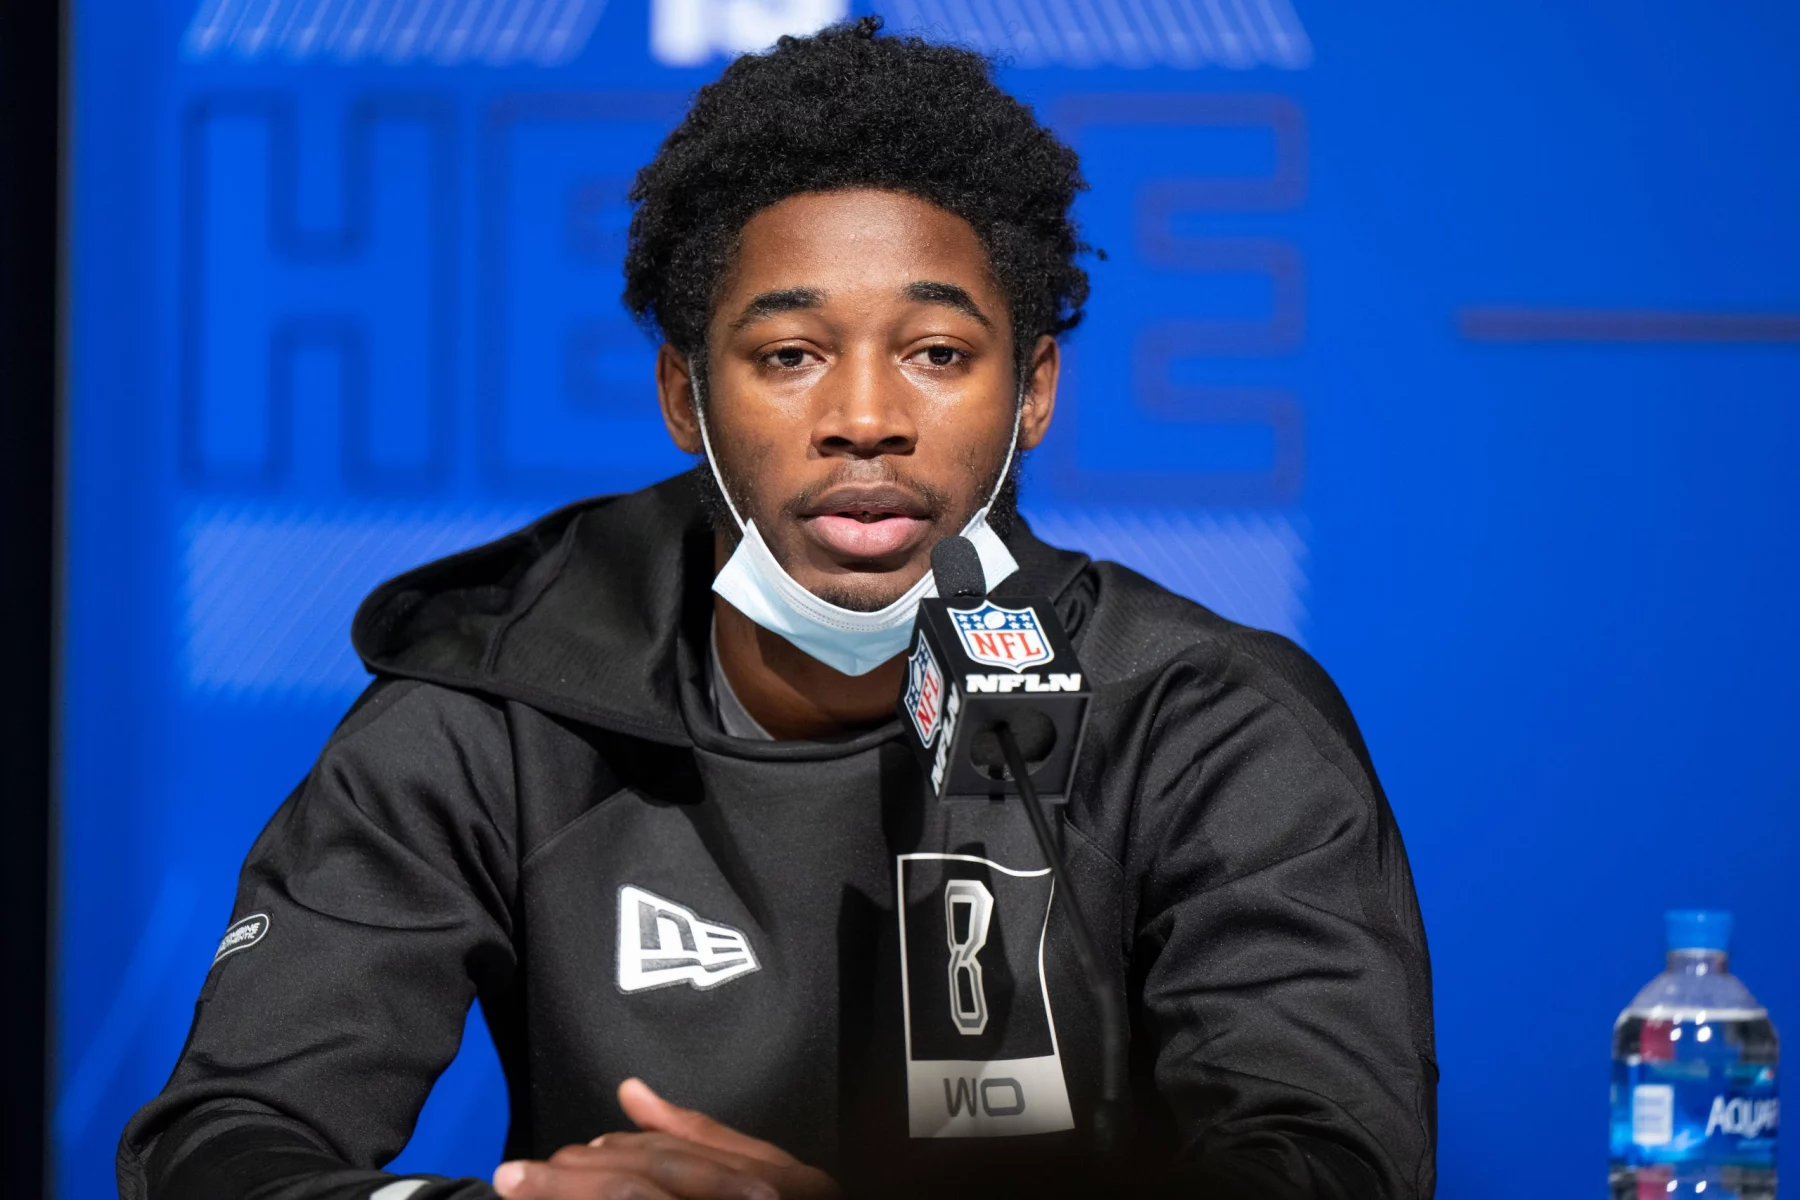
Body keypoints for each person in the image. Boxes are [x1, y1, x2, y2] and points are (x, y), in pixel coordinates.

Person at [120, 18, 1436, 1200]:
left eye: (937, 354)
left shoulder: (1209, 722)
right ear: (687, 398)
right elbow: (220, 1145)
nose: (865, 419)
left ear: (1033, 390)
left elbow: (1329, 1163)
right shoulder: (497, 703)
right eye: (790, 356)